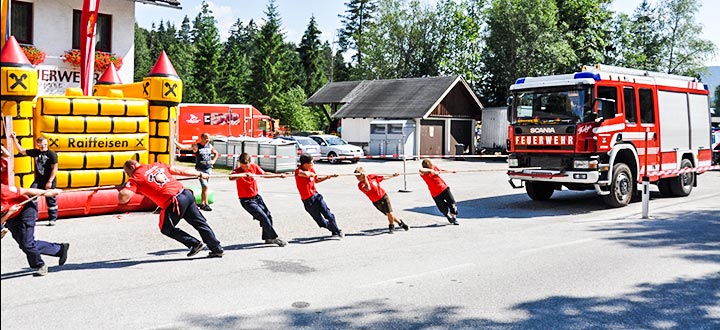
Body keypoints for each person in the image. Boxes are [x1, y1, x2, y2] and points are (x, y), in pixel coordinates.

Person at [118, 159, 224, 258]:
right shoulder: (157, 165)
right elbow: (180, 170)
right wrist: (200, 174)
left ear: (132, 166)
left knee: (165, 228)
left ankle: (194, 244)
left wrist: (127, 185)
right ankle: (216, 248)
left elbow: (123, 198)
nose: (128, 175)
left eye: (127, 172)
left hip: (174, 201)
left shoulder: (136, 178)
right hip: (186, 193)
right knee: (200, 223)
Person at [1, 182, 68, 276]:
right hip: (11, 215)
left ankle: (40, 265)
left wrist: (46, 193)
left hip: (26, 209)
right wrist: (9, 213)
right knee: (24, 244)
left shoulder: (4, 190)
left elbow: (26, 190)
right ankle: (59, 249)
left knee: (27, 244)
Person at [229, 153, 287, 247]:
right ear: (239, 163)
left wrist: (279, 175)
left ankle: (267, 237)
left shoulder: (254, 167)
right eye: (242, 166)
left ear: (249, 162)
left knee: (268, 216)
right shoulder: (237, 171)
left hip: (256, 197)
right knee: (263, 217)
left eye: (246, 166)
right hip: (246, 201)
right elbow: (231, 177)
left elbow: (264, 174)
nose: (244, 168)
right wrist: (243, 174)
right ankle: (274, 237)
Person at [11, 133, 59, 226]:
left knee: (50, 198)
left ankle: (53, 218)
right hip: (39, 179)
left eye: (45, 144)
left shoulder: (52, 154)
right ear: (38, 145)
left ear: (47, 144)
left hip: (49, 179)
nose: (43, 146)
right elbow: (22, 151)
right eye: (41, 145)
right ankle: (34, 215)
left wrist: (49, 181)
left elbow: (55, 169)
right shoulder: (36, 153)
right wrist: (14, 139)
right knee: (31, 194)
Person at [294, 154, 344, 238]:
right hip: (308, 200)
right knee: (320, 221)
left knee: (328, 214)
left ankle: (337, 230)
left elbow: (316, 180)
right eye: (311, 162)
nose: (313, 164)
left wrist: (329, 176)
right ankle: (333, 228)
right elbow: (306, 175)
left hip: (316, 196)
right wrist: (311, 174)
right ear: (305, 164)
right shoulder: (298, 171)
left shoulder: (311, 170)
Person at [354, 167, 409, 234]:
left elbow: (382, 178)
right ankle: (401, 223)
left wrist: (393, 176)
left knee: (390, 213)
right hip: (375, 201)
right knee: (388, 214)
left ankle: (391, 226)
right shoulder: (360, 185)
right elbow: (368, 188)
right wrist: (365, 178)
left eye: (358, 176)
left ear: (363, 174)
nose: (357, 178)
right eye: (356, 177)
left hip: (383, 196)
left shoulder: (372, 177)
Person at [174, 132, 219, 211]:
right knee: (205, 186)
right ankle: (206, 204)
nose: (207, 140)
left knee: (204, 188)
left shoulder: (210, 146)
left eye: (208, 138)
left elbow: (216, 153)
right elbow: (184, 147)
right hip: (200, 169)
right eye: (205, 138)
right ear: (201, 138)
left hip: (208, 168)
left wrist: (213, 161)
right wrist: (175, 142)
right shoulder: (196, 146)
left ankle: (202, 203)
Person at [419, 159, 459, 225]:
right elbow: (420, 170)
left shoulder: (434, 167)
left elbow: (440, 170)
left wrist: (450, 171)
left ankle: (454, 218)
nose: (433, 166)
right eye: (431, 165)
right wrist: (431, 171)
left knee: (452, 203)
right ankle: (447, 215)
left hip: (444, 188)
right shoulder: (423, 173)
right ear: (427, 166)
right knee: (443, 208)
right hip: (435, 193)